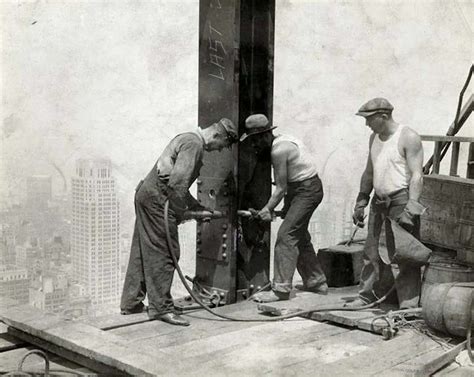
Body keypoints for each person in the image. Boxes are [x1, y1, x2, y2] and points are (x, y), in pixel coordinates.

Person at [120, 118, 238, 326]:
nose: (219, 151)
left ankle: (132, 302)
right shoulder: (195, 144)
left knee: (141, 250)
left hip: (147, 195)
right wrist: (187, 213)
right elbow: (177, 185)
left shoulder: (187, 139)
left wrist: (198, 209)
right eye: (223, 146)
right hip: (157, 200)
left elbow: (176, 184)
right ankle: (161, 308)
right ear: (218, 135)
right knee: (165, 250)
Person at [240, 114, 328, 303]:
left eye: (255, 141)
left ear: (264, 136)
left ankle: (280, 290)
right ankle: (316, 281)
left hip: (306, 190)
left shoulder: (279, 150)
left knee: (286, 237)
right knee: (299, 235)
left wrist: (267, 209)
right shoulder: (283, 139)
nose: (254, 146)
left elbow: (281, 188)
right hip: (301, 188)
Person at [348, 98, 425, 309]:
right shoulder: (374, 137)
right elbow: (369, 171)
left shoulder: (408, 137)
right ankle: (367, 296)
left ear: (383, 116)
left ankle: (408, 306)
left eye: (369, 120)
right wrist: (361, 200)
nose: (366, 125)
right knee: (370, 252)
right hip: (378, 201)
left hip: (401, 200)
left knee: (404, 254)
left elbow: (418, 174)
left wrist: (412, 206)